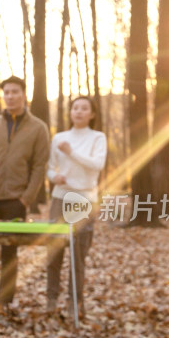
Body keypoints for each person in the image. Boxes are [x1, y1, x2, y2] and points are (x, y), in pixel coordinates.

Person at [0, 75, 50, 306]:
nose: (10, 96)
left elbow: (39, 166)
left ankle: (5, 302)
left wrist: (26, 198)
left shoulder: (38, 128)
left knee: (9, 255)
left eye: (15, 91)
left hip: (15, 201)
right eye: (6, 92)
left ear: (24, 94)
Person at [46, 95, 106, 320]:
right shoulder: (59, 138)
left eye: (84, 109)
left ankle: (74, 302)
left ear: (92, 114)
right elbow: (50, 168)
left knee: (78, 254)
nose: (79, 112)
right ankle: (51, 299)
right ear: (70, 112)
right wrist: (55, 177)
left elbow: (97, 165)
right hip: (60, 198)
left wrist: (71, 152)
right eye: (75, 108)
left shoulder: (97, 138)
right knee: (54, 252)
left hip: (84, 200)